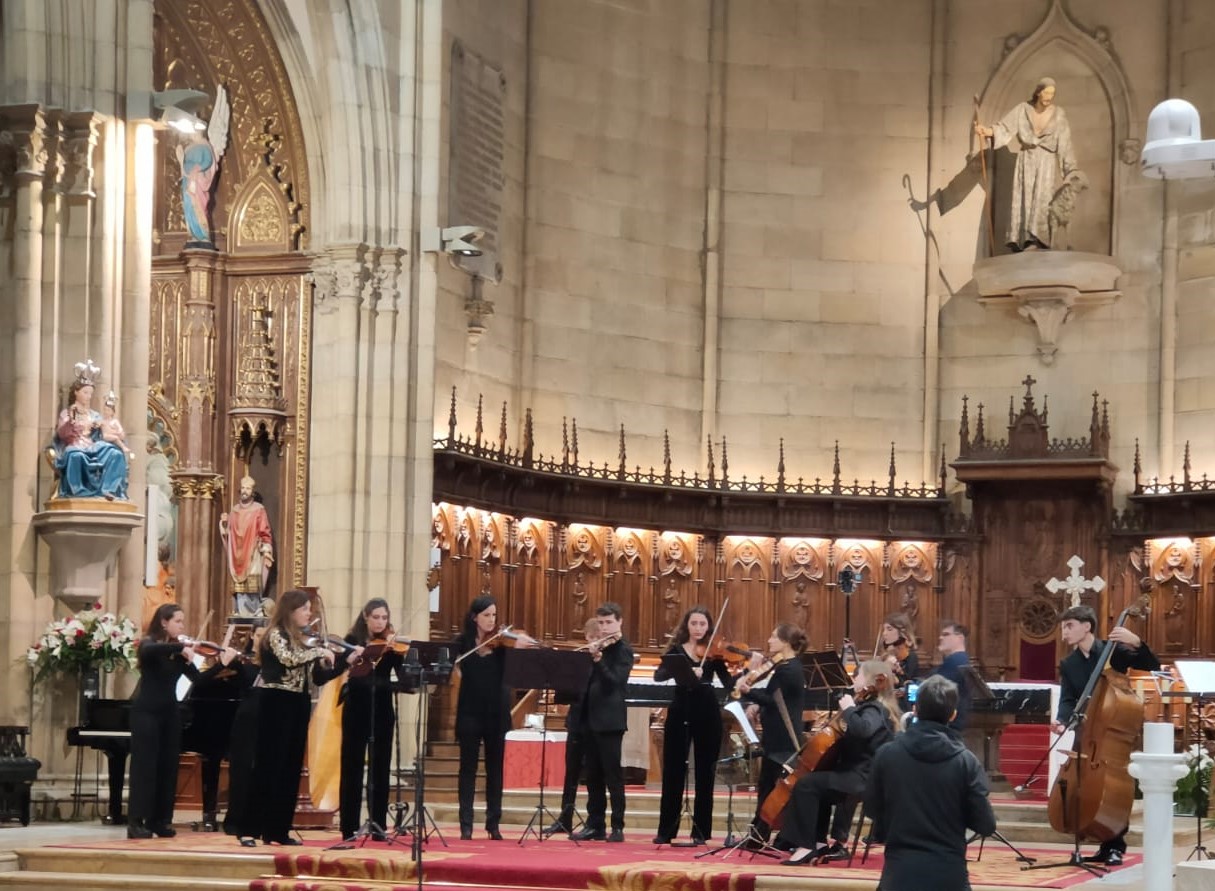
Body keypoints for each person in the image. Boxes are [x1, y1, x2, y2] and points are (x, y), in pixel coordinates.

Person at [242, 589, 358, 846]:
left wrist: (343, 662)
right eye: (304, 609)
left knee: (290, 769)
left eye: (309, 609)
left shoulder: (304, 640)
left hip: (298, 703)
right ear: (291, 611)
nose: (309, 614)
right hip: (275, 703)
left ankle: (277, 829)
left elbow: (317, 678)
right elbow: (289, 659)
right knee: (267, 766)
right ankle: (248, 828)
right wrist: (319, 652)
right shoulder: (276, 635)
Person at [1050, 604, 1159, 866]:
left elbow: (1151, 664)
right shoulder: (1069, 663)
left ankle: (1115, 844)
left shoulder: (1112, 652)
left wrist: (1136, 642)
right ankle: (1097, 838)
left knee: (1112, 786)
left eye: (1069, 626)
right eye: (1064, 627)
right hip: (1086, 731)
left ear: (1086, 626)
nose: (1064, 633)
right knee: (1082, 783)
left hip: (1111, 733)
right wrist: (1062, 720)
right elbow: (1068, 699)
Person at [867, 675, 997, 891]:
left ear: (915, 709)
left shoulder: (886, 754)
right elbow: (985, 825)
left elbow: (872, 808)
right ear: (953, 715)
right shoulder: (966, 762)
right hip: (948, 875)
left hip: (899, 875)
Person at [127, 604, 238, 839]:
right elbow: (148, 651)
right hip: (146, 713)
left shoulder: (180, 655)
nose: (182, 626)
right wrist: (183, 646)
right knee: (145, 768)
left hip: (170, 713)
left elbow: (200, 680)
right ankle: (136, 821)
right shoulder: (151, 644)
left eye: (183, 621)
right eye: (178, 621)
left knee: (167, 768)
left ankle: (160, 821)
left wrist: (222, 664)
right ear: (164, 622)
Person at [775, 660, 900, 865]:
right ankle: (818, 842)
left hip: (861, 778)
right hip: (859, 775)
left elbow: (863, 729)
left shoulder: (875, 709)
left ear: (871, 681)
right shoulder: (872, 707)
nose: (854, 680)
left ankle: (806, 845)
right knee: (817, 785)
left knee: (806, 785)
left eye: (858, 675)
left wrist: (850, 709)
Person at [451, 594, 534, 840]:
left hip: (496, 713)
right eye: (486, 615)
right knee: (467, 769)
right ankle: (466, 823)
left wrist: (519, 646)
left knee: (495, 770)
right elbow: (450, 665)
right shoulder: (463, 643)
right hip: (470, 713)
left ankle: (493, 823)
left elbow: (518, 670)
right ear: (475, 617)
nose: (491, 620)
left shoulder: (503, 644)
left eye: (494, 615)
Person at [652, 606, 735, 845]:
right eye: (694, 623)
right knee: (673, 771)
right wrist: (686, 671)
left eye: (702, 624)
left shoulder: (714, 654)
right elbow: (659, 676)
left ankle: (701, 831)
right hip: (680, 710)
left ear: (708, 626)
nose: (698, 628)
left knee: (705, 772)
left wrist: (748, 672)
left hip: (707, 712)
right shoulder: (676, 651)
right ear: (686, 626)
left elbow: (729, 683)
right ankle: (666, 830)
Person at [975, 76, 1080, 251]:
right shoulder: (1022, 110)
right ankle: (1022, 239)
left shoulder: (1059, 114)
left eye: (1052, 94)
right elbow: (1005, 128)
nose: (1049, 97)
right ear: (1038, 92)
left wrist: (1071, 171)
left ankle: (1038, 241)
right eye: (1046, 93)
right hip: (1026, 161)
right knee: (1024, 198)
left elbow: (1065, 144)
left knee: (1043, 200)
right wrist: (987, 131)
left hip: (1046, 163)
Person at [337, 598, 404, 843]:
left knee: (381, 769)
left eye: (384, 618)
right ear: (366, 616)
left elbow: (403, 676)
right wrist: (355, 656)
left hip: (383, 710)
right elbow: (343, 670)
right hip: (356, 708)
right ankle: (349, 827)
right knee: (352, 768)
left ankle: (378, 825)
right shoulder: (352, 641)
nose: (380, 622)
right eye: (376, 617)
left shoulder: (391, 643)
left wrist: (400, 655)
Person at [570, 602, 634, 843]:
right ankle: (595, 824)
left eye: (609, 622)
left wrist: (599, 659)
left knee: (612, 776)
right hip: (589, 719)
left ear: (619, 623)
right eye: (601, 623)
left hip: (610, 721)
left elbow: (615, 682)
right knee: (593, 776)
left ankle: (617, 826)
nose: (605, 627)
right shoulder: (599, 648)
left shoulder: (623, 650)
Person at [738, 622, 807, 843]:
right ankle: (760, 834)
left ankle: (760, 835)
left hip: (782, 737)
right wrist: (757, 704)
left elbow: (774, 700)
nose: (769, 640)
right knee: (767, 786)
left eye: (773, 636)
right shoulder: (787, 667)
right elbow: (774, 698)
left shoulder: (788, 670)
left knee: (769, 787)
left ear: (785, 642)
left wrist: (749, 692)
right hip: (778, 734)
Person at [545, 617, 601, 837]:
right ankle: (565, 818)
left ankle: (592, 821)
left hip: (595, 724)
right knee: (571, 773)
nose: (595, 641)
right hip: (577, 722)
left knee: (594, 775)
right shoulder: (578, 661)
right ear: (586, 637)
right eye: (592, 637)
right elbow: (567, 691)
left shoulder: (603, 661)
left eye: (599, 637)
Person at [53, 374, 129, 500]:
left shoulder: (95, 415)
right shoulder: (67, 412)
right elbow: (63, 434)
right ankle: (78, 492)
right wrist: (71, 421)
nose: (88, 396)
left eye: (90, 394)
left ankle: (108, 490)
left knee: (116, 454)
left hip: (93, 446)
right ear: (76, 392)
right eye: (85, 392)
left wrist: (107, 429)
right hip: (76, 445)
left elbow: (104, 434)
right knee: (76, 455)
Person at [220, 476, 274, 616]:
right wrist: (224, 523)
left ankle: (252, 613)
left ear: (253, 491)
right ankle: (239, 611)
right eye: (243, 488)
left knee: (253, 585)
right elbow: (229, 533)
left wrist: (266, 549)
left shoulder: (259, 510)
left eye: (248, 488)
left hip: (253, 553)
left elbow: (264, 532)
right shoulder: (234, 510)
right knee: (239, 587)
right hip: (237, 553)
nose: (245, 491)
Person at [929, 621, 972, 730]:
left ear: (960, 638)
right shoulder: (959, 660)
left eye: (946, 634)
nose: (940, 638)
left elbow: (935, 689)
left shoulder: (956, 661)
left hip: (949, 724)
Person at [877, 612, 919, 686]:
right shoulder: (886, 655)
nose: (884, 633)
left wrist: (896, 677)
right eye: (884, 629)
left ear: (902, 632)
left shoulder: (911, 657)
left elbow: (908, 683)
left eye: (889, 629)